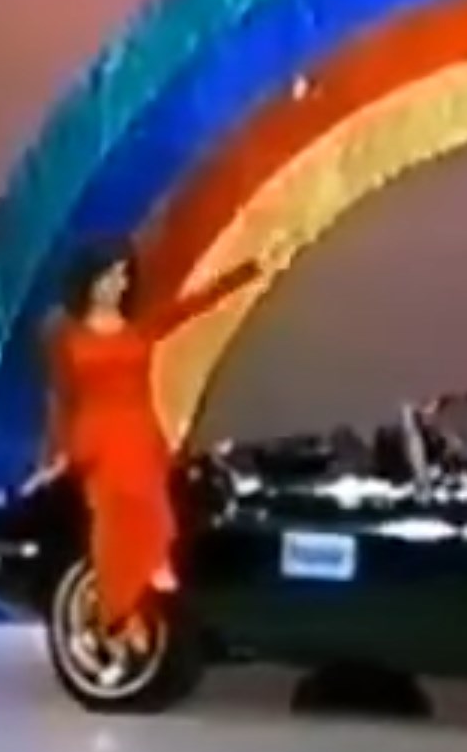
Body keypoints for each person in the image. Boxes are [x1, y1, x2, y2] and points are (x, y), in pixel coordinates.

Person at [36, 234, 294, 654]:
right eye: (110, 275)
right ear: (90, 280)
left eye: (123, 275)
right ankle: (118, 613)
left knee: (155, 517)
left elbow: (194, 305)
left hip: (140, 434)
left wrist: (249, 271)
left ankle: (136, 592)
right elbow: (62, 398)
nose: (118, 284)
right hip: (98, 440)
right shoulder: (65, 335)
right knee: (114, 526)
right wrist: (58, 455)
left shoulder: (140, 328)